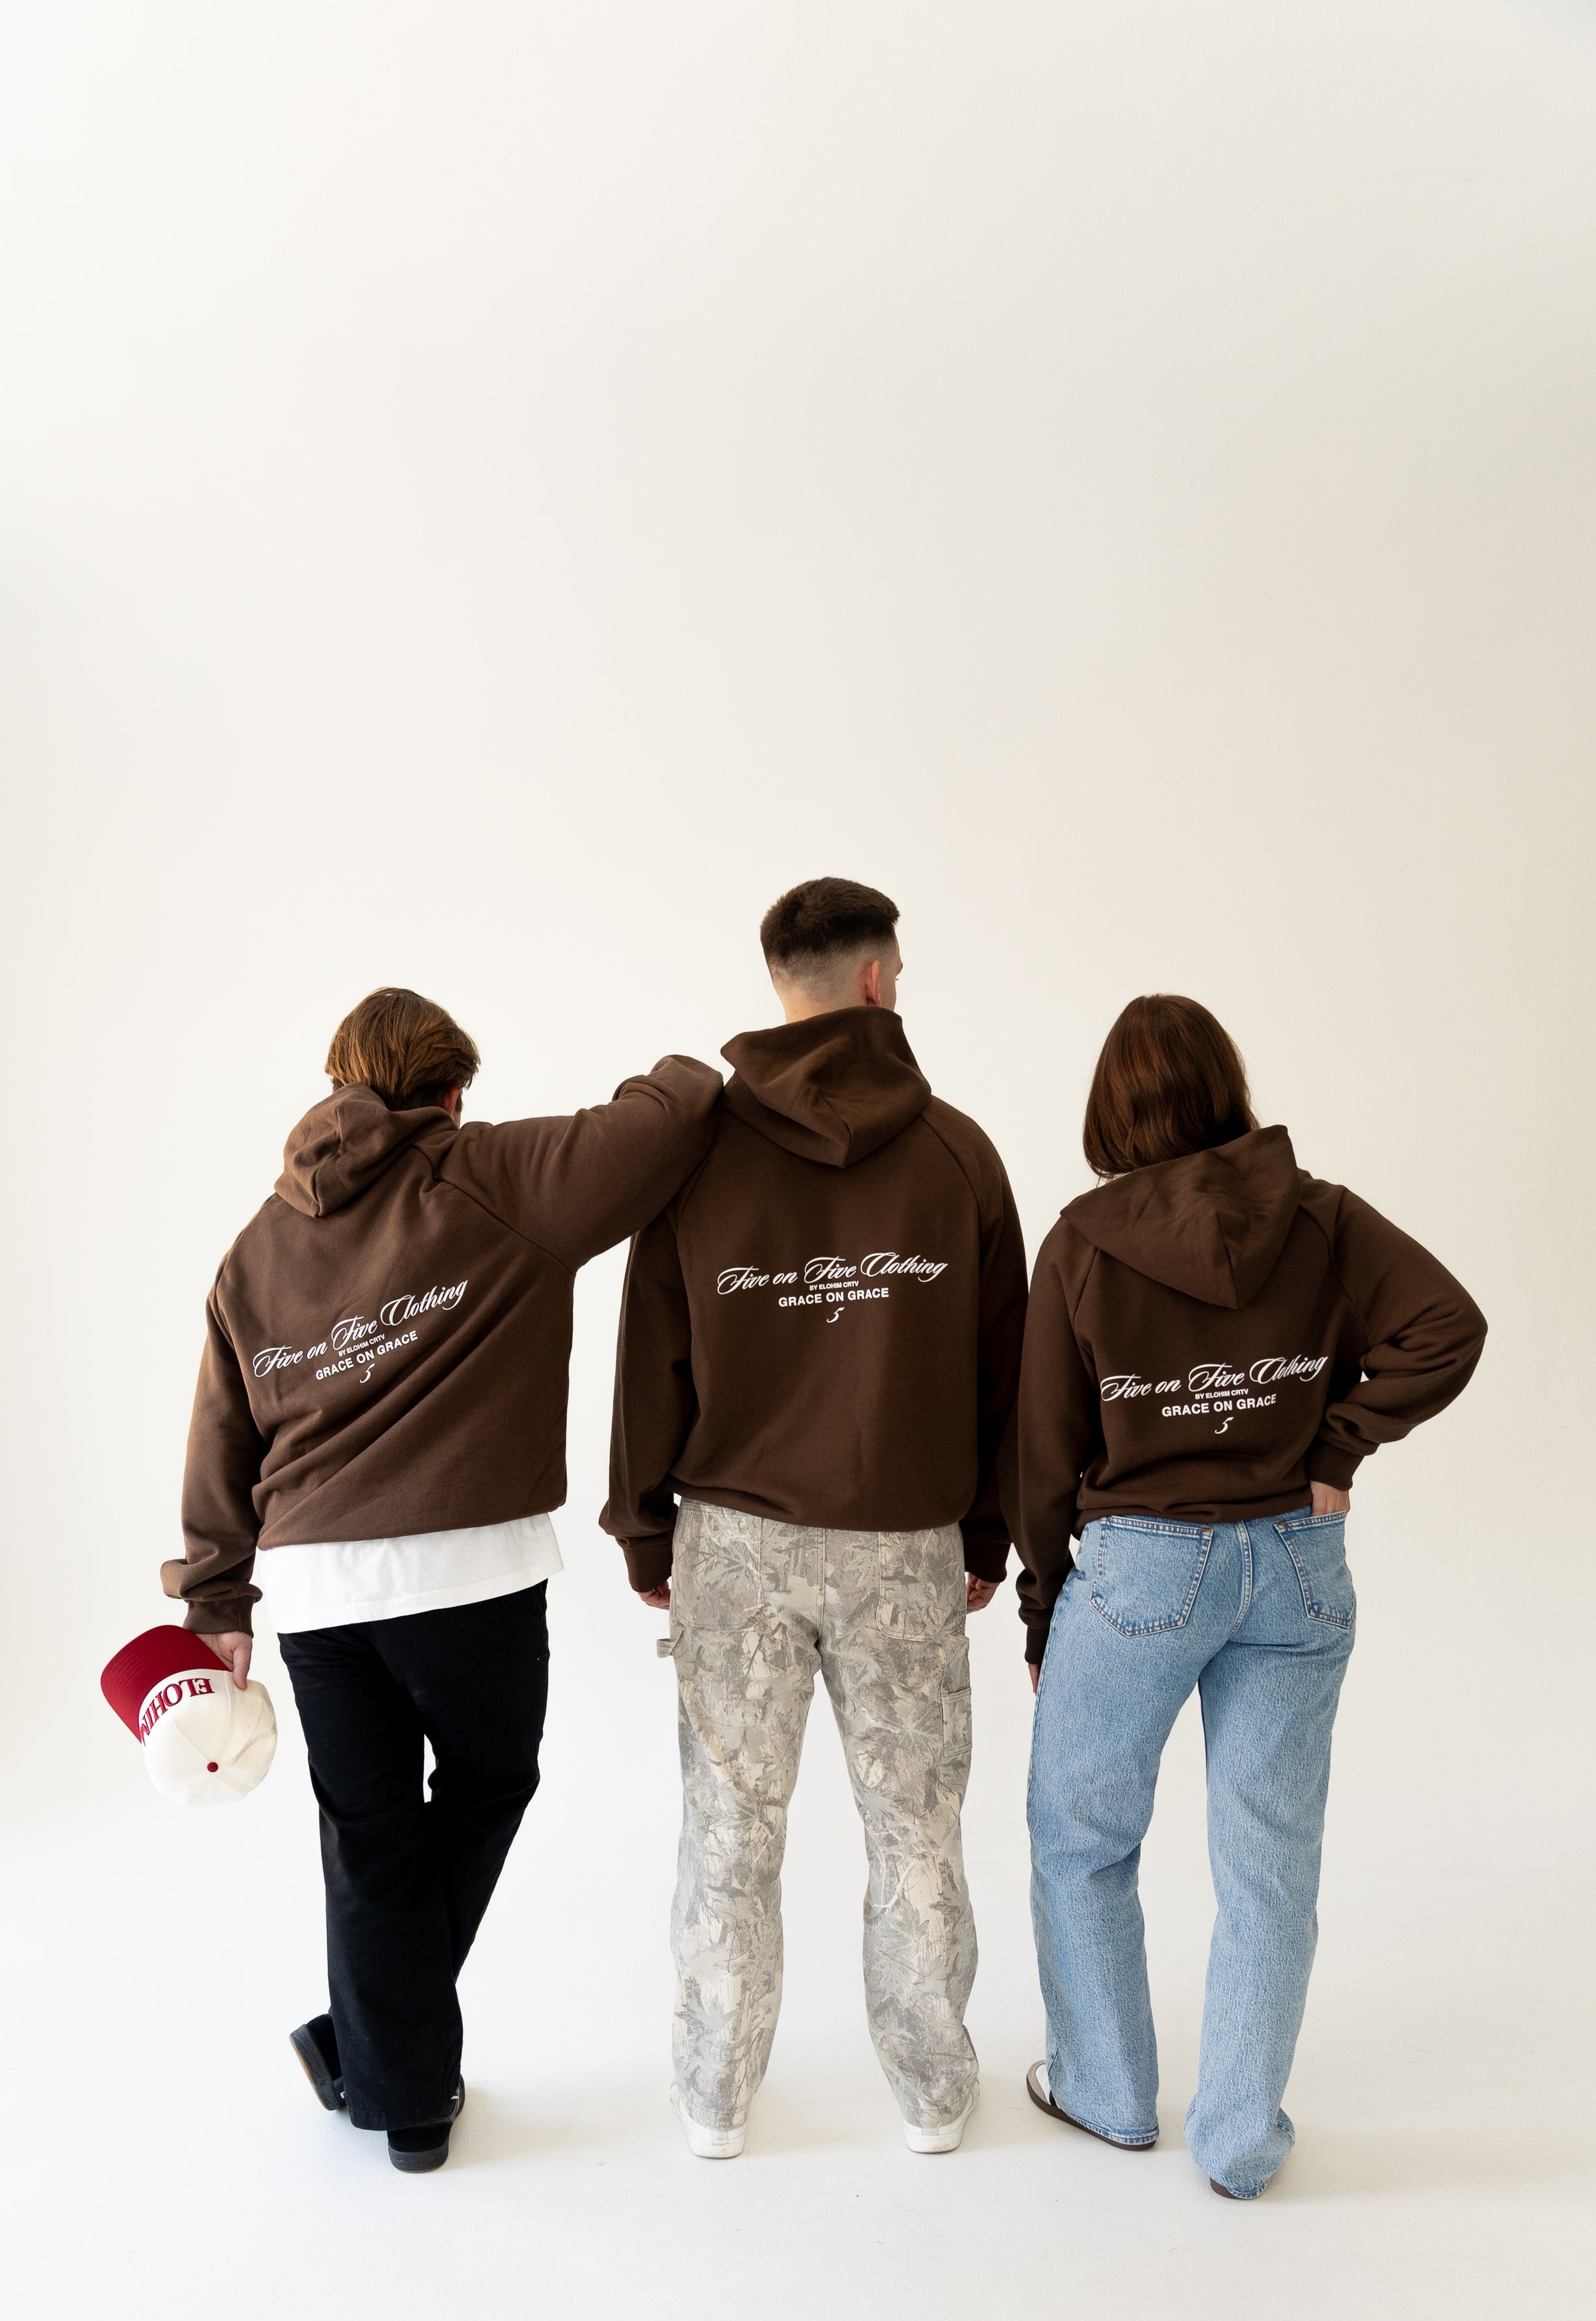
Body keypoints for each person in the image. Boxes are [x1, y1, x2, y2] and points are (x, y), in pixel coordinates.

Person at [162, 987, 720, 2172]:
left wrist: (219, 1603)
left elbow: (220, 1436)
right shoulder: (497, 1176)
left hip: (313, 1596)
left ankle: (389, 2079)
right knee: (489, 1781)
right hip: (471, 1579)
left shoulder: (254, 1249)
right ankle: (384, 2056)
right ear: (454, 1092)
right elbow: (677, 1112)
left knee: (370, 1837)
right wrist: (693, 1051)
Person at [1011, 995, 1486, 2200]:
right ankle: (1236, 2142)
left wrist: (1042, 1608)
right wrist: (1333, 1449)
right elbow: (1447, 1324)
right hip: (1296, 1564)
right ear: (1228, 1085)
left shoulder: (1079, 1239)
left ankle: (1108, 2094)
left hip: (1141, 1572)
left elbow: (1042, 1450)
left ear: (1110, 1108)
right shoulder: (1321, 1215)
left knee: (1083, 1836)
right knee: (1270, 1862)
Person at [602, 878, 1027, 2158]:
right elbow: (1005, 1368)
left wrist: (641, 1528)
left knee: (728, 1834)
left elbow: (648, 1357)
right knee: (915, 1835)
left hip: (732, 1543)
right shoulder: (957, 1153)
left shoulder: (695, 1160)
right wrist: (985, 1534)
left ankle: (712, 2099)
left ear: (781, 984)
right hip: (904, 1541)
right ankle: (933, 2096)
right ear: (876, 982)